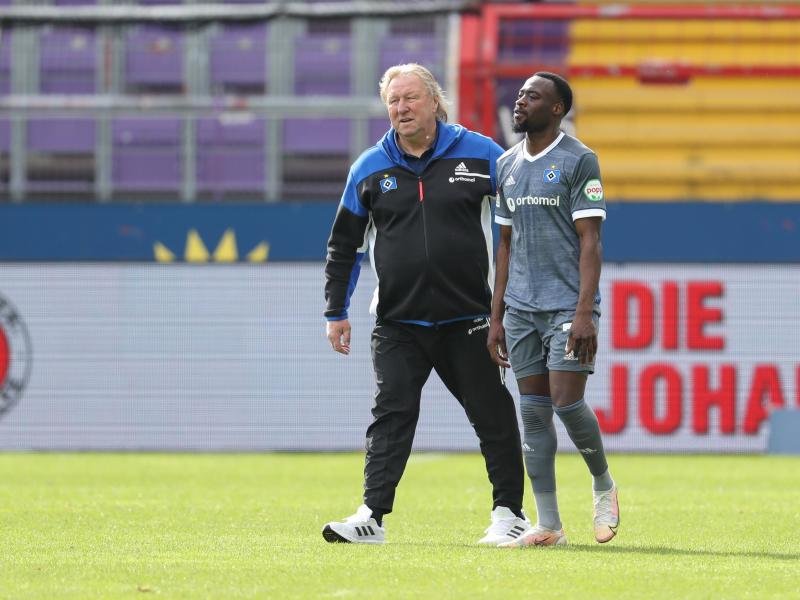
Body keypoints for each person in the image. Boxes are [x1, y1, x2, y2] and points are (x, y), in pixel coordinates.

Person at [321, 63, 527, 546]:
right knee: (391, 417)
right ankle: (371, 517)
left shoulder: (482, 154)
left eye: (411, 98)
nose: (401, 108)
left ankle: (509, 515)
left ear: (435, 101)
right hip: (397, 324)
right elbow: (344, 246)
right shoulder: (368, 167)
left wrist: (515, 303)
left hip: (470, 322)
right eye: (393, 101)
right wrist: (335, 311)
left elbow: (522, 219)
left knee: (493, 416)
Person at [487, 72, 619, 548]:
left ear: (557, 108)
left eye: (533, 96)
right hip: (520, 308)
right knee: (534, 414)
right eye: (519, 93)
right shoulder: (504, 164)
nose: (520, 101)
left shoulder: (579, 160)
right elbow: (503, 245)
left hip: (566, 304)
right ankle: (549, 525)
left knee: (565, 402)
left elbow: (591, 240)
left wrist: (585, 312)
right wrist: (496, 315)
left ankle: (603, 484)